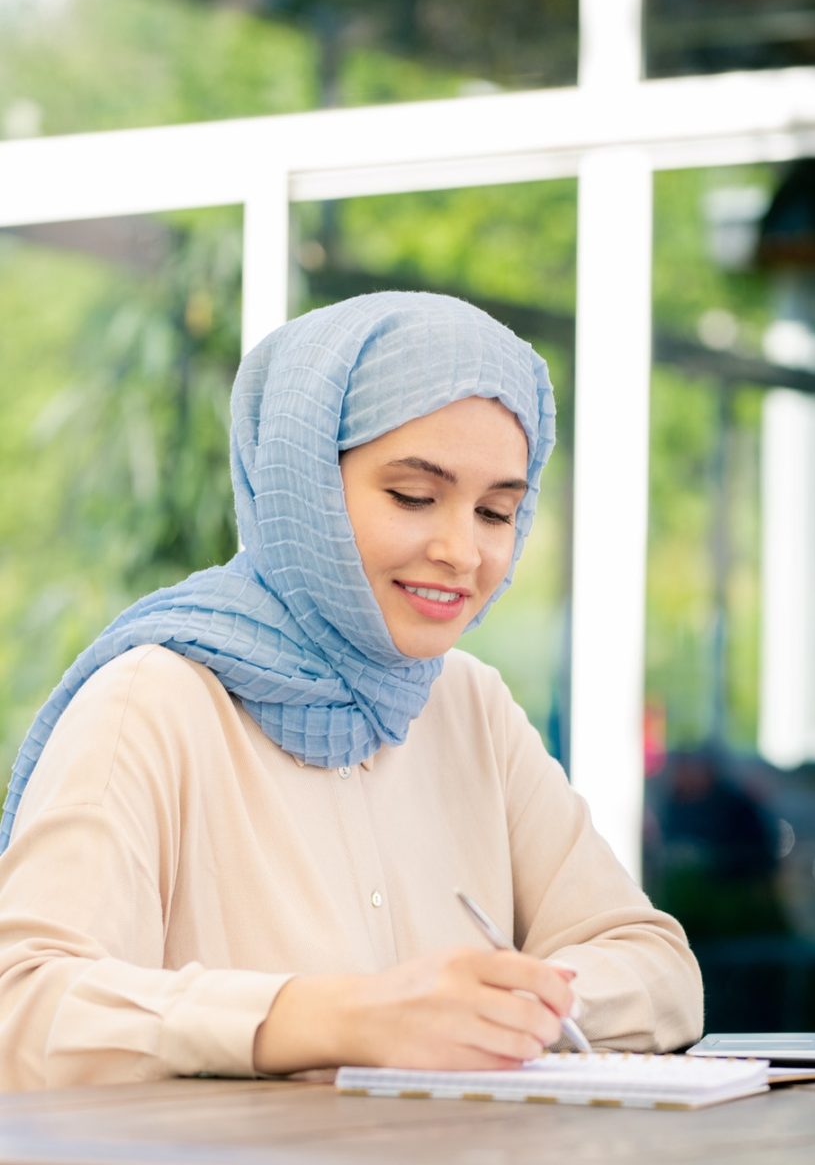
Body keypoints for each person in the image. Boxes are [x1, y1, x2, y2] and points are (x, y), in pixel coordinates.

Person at [0, 291, 702, 1089]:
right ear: (303, 484)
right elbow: (22, 1008)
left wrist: (510, 1009)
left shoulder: (466, 704)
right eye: (413, 496)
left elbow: (658, 968)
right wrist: (341, 1018)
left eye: (497, 510)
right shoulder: (153, 699)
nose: (461, 551)